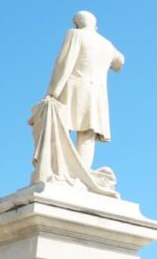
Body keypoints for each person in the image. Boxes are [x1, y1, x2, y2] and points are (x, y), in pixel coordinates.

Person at [45, 11, 125, 169]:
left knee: (62, 127)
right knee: (88, 133)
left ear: (76, 23)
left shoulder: (75, 34)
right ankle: (82, 172)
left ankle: (61, 170)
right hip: (97, 93)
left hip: (75, 87)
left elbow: (63, 62)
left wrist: (52, 92)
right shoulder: (107, 44)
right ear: (96, 25)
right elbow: (120, 62)